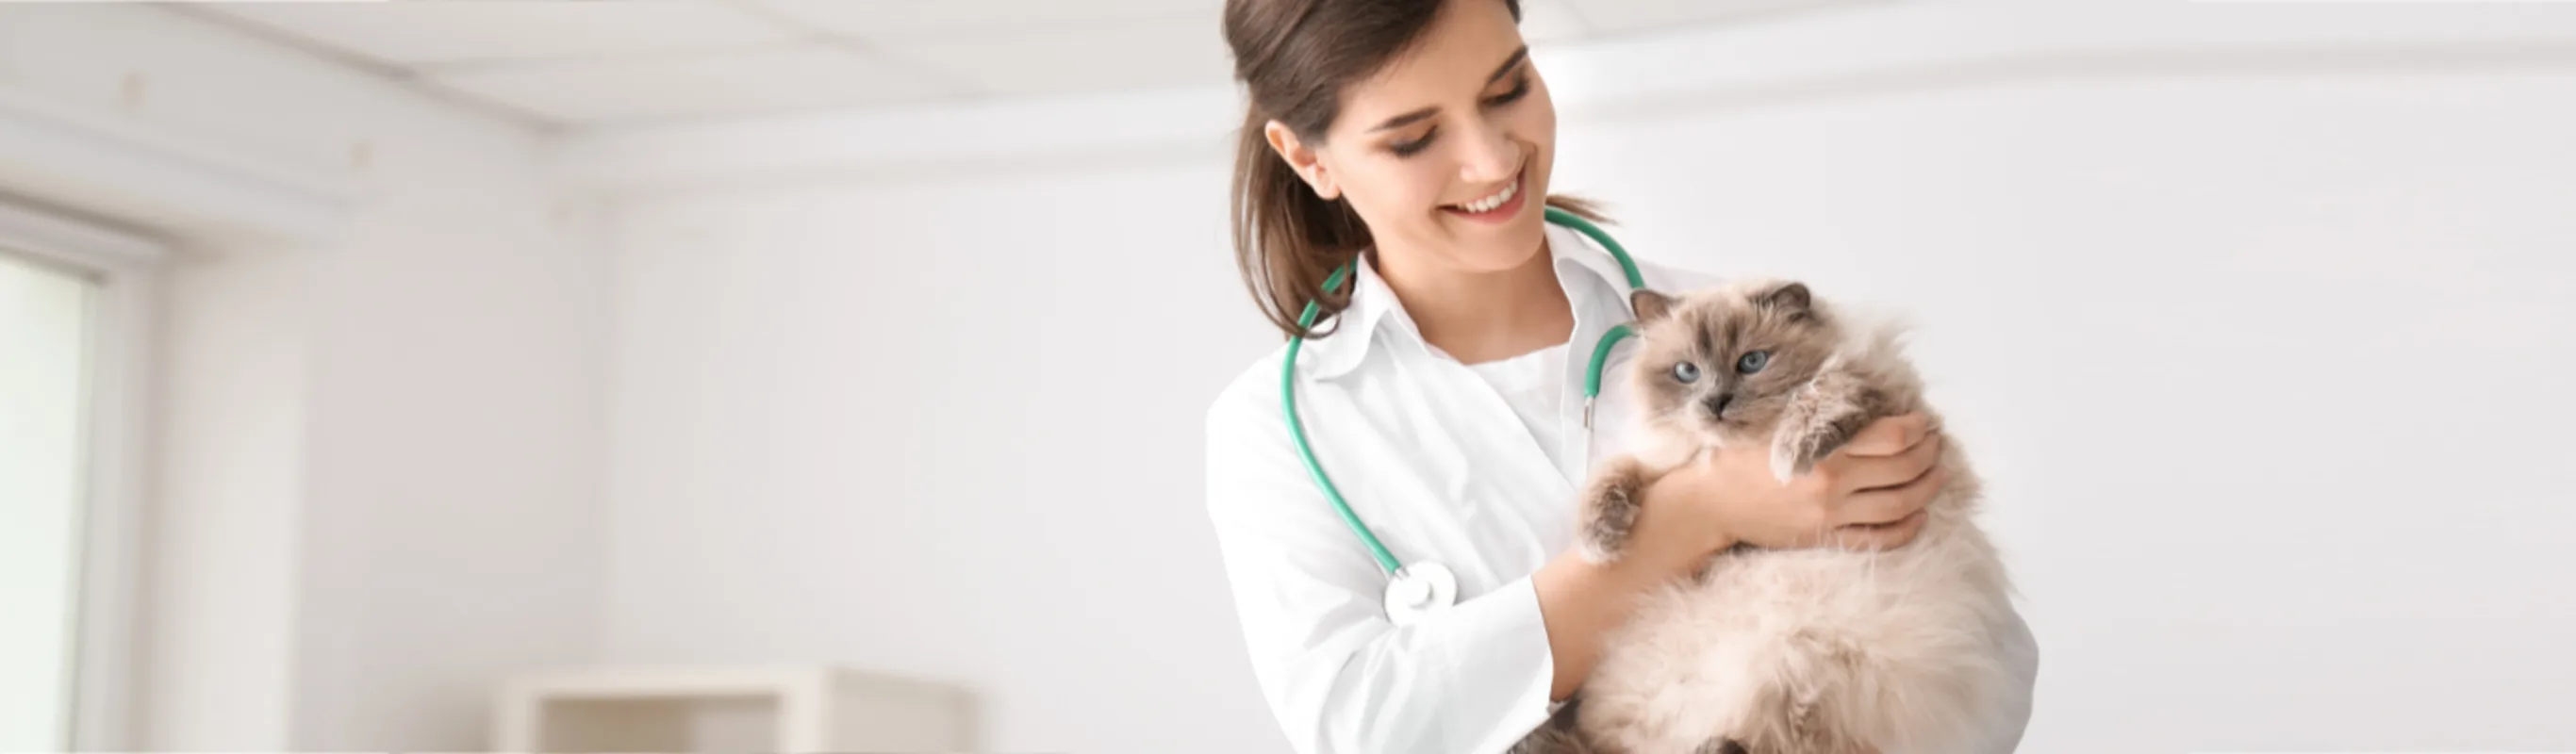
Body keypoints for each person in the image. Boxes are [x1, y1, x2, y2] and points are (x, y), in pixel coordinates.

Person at [1200, 0, 2038, 752]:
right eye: (1416, 138)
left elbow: (1984, 662)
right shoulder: (1279, 431)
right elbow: (1364, 725)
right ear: (1307, 157)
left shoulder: (1734, 329)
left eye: (1508, 88)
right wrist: (1695, 516)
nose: (1492, 161)